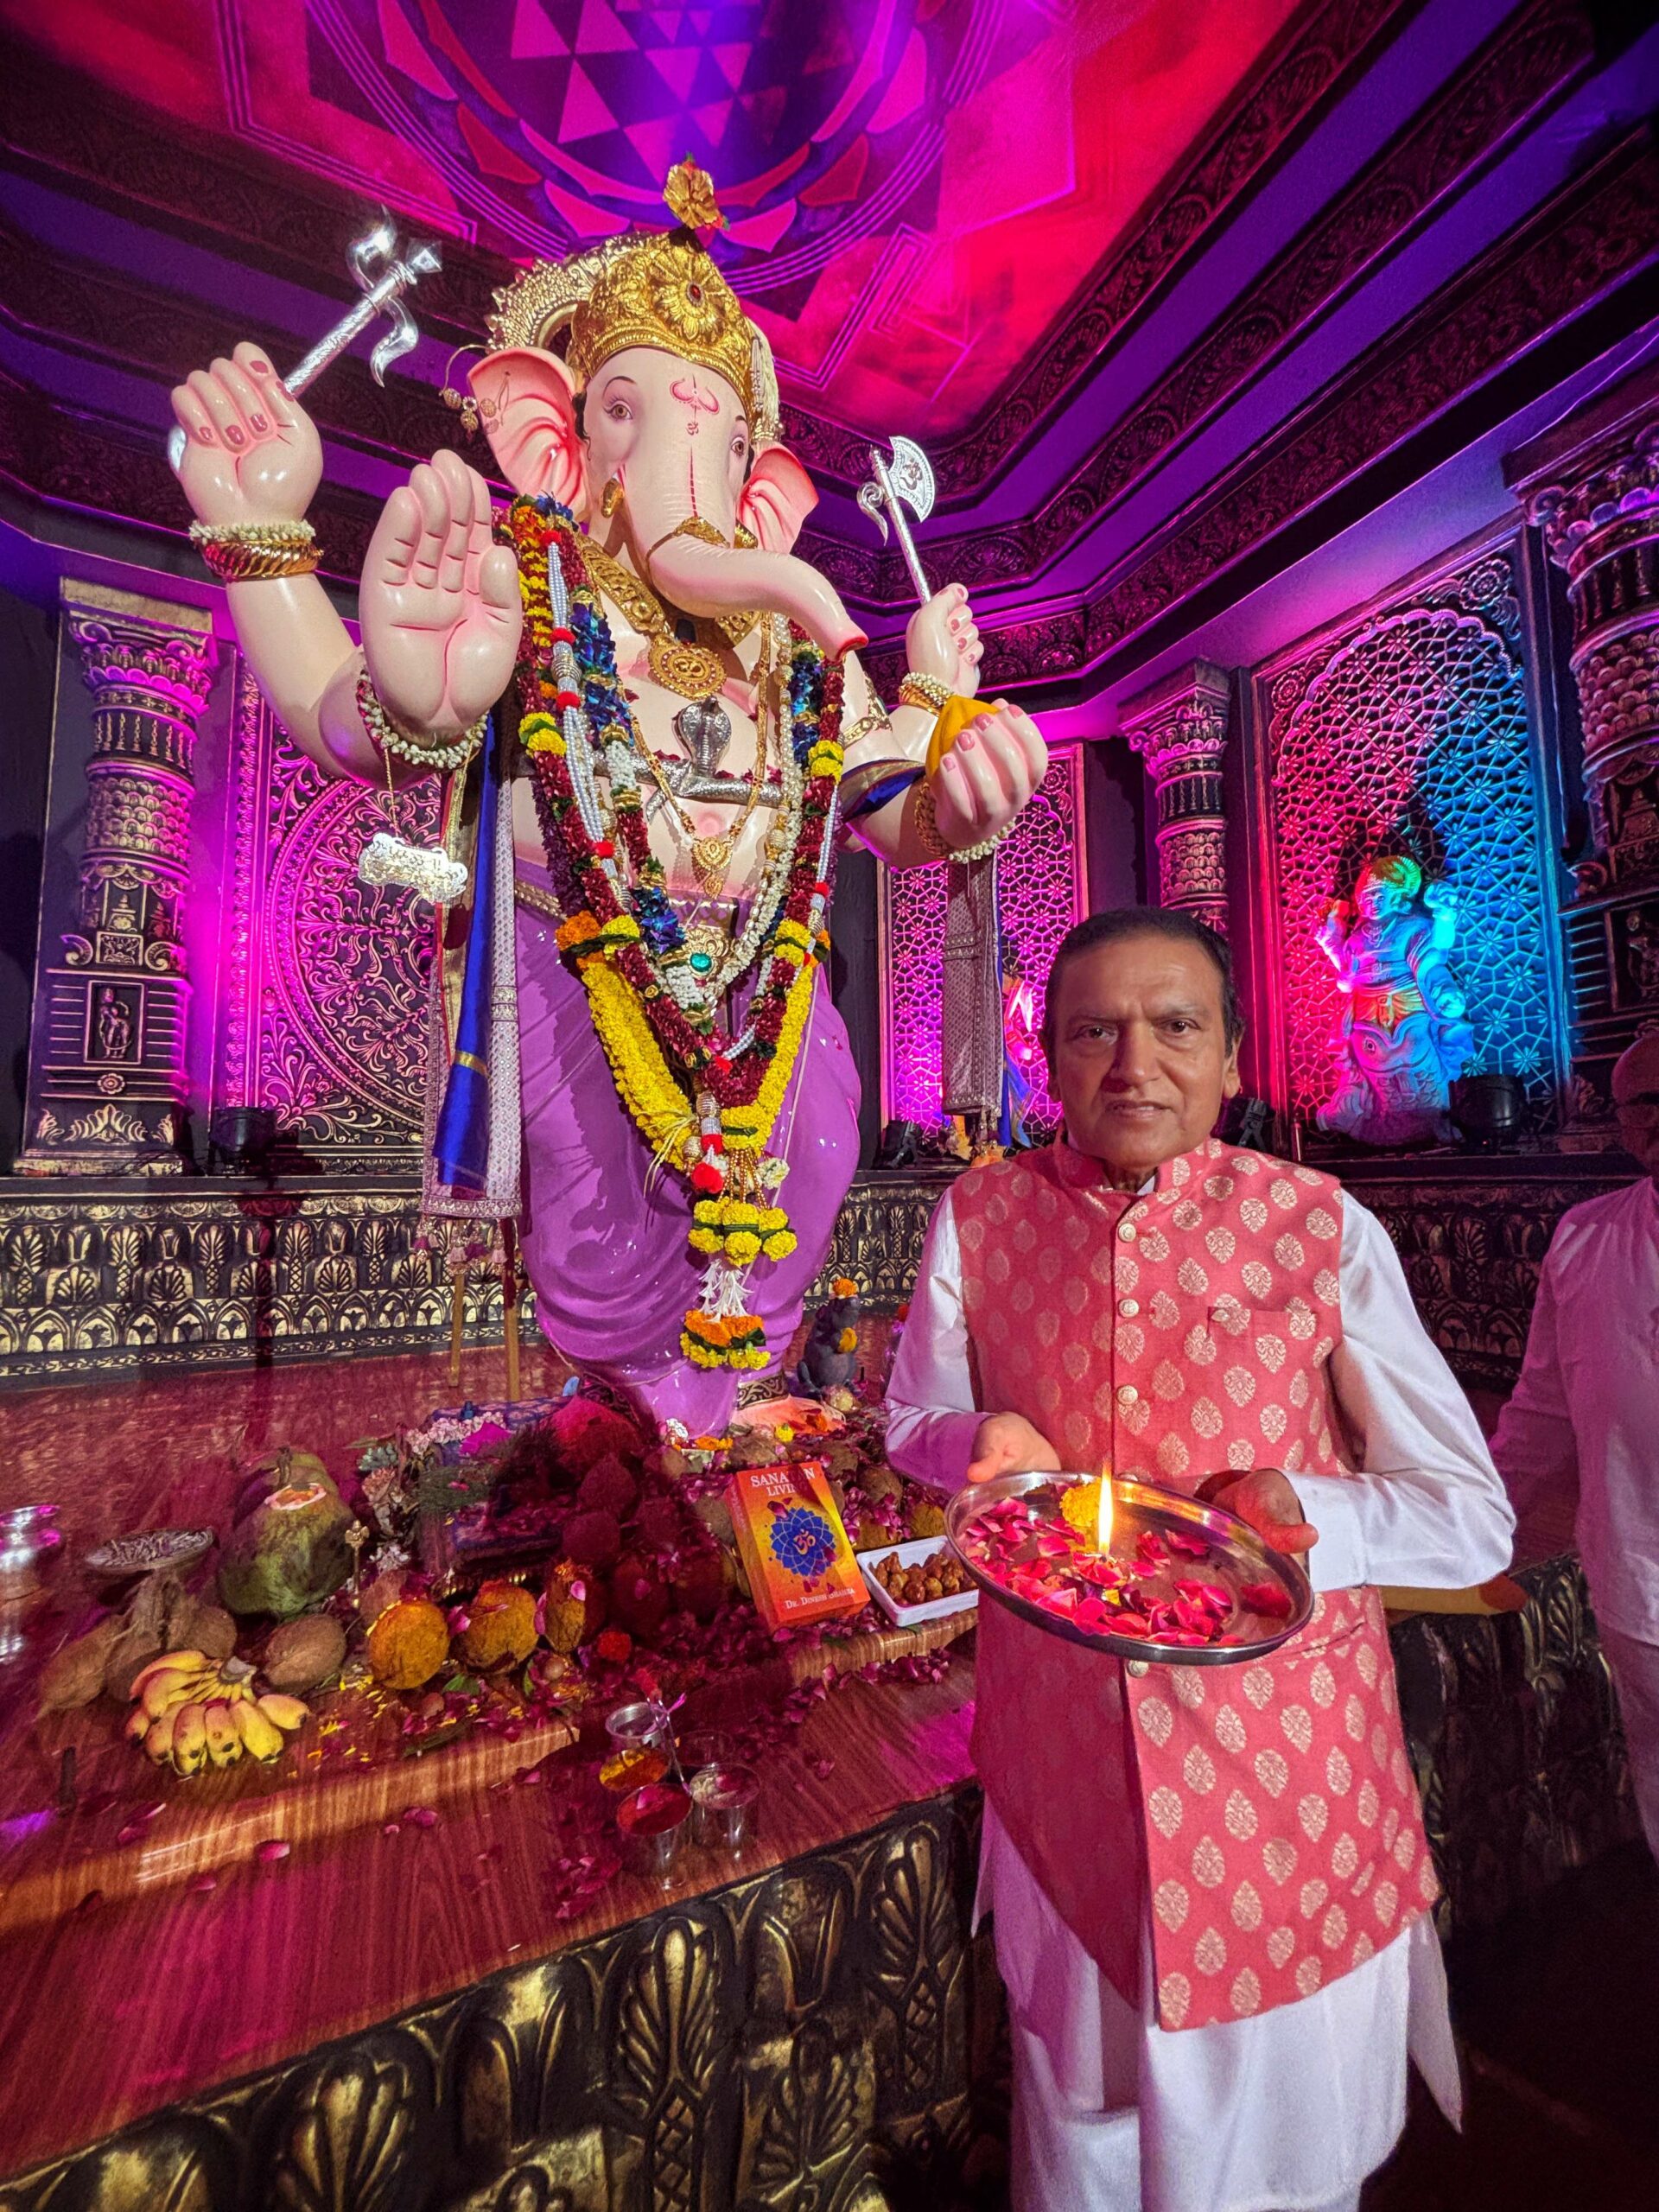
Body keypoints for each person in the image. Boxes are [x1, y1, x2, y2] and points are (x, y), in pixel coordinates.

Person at [886, 906, 1514, 2212]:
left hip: (1282, 1782)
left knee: (1279, 2157)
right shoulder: (980, 1215)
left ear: (1233, 1057)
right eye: (1094, 1032)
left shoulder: (1317, 1225)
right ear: (1046, 1063)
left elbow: (1469, 1516)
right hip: (1063, 1776)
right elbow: (911, 1421)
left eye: (1176, 1027)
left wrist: (1309, 1513)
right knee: (1082, 2123)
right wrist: (974, 1438)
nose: (1136, 1064)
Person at [1491, 1029, 1659, 1859]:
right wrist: (1478, 1518)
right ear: (1623, 1122)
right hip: (1637, 1580)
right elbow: (1543, 1411)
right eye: (1646, 1105)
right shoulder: (1587, 1238)